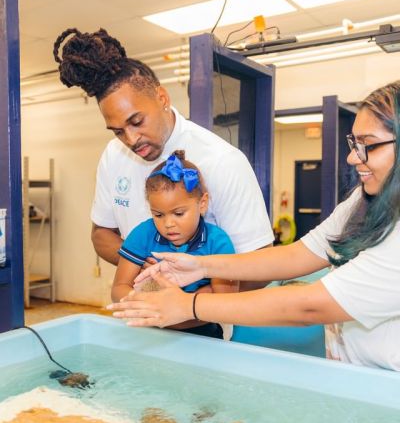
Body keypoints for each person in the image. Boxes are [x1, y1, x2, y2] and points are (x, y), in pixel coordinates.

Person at [108, 81, 400, 371]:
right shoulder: (365, 200)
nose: (352, 157)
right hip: (356, 371)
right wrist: (201, 266)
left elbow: (309, 306)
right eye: (354, 144)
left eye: (368, 145)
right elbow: (297, 254)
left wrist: (188, 305)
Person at [53, 28, 274, 287]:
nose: (131, 139)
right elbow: (101, 234)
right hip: (141, 302)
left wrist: (191, 301)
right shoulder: (113, 155)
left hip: (205, 309)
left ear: (162, 98)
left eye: (137, 122)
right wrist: (147, 265)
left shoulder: (223, 160)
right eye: (118, 131)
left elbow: (260, 266)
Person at [111, 150, 238, 338]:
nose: (168, 224)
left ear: (202, 203)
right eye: (158, 215)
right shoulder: (143, 234)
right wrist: (147, 304)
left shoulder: (218, 243)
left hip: (203, 330)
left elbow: (224, 302)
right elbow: (119, 288)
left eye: (178, 214)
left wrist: (179, 314)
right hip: (150, 326)